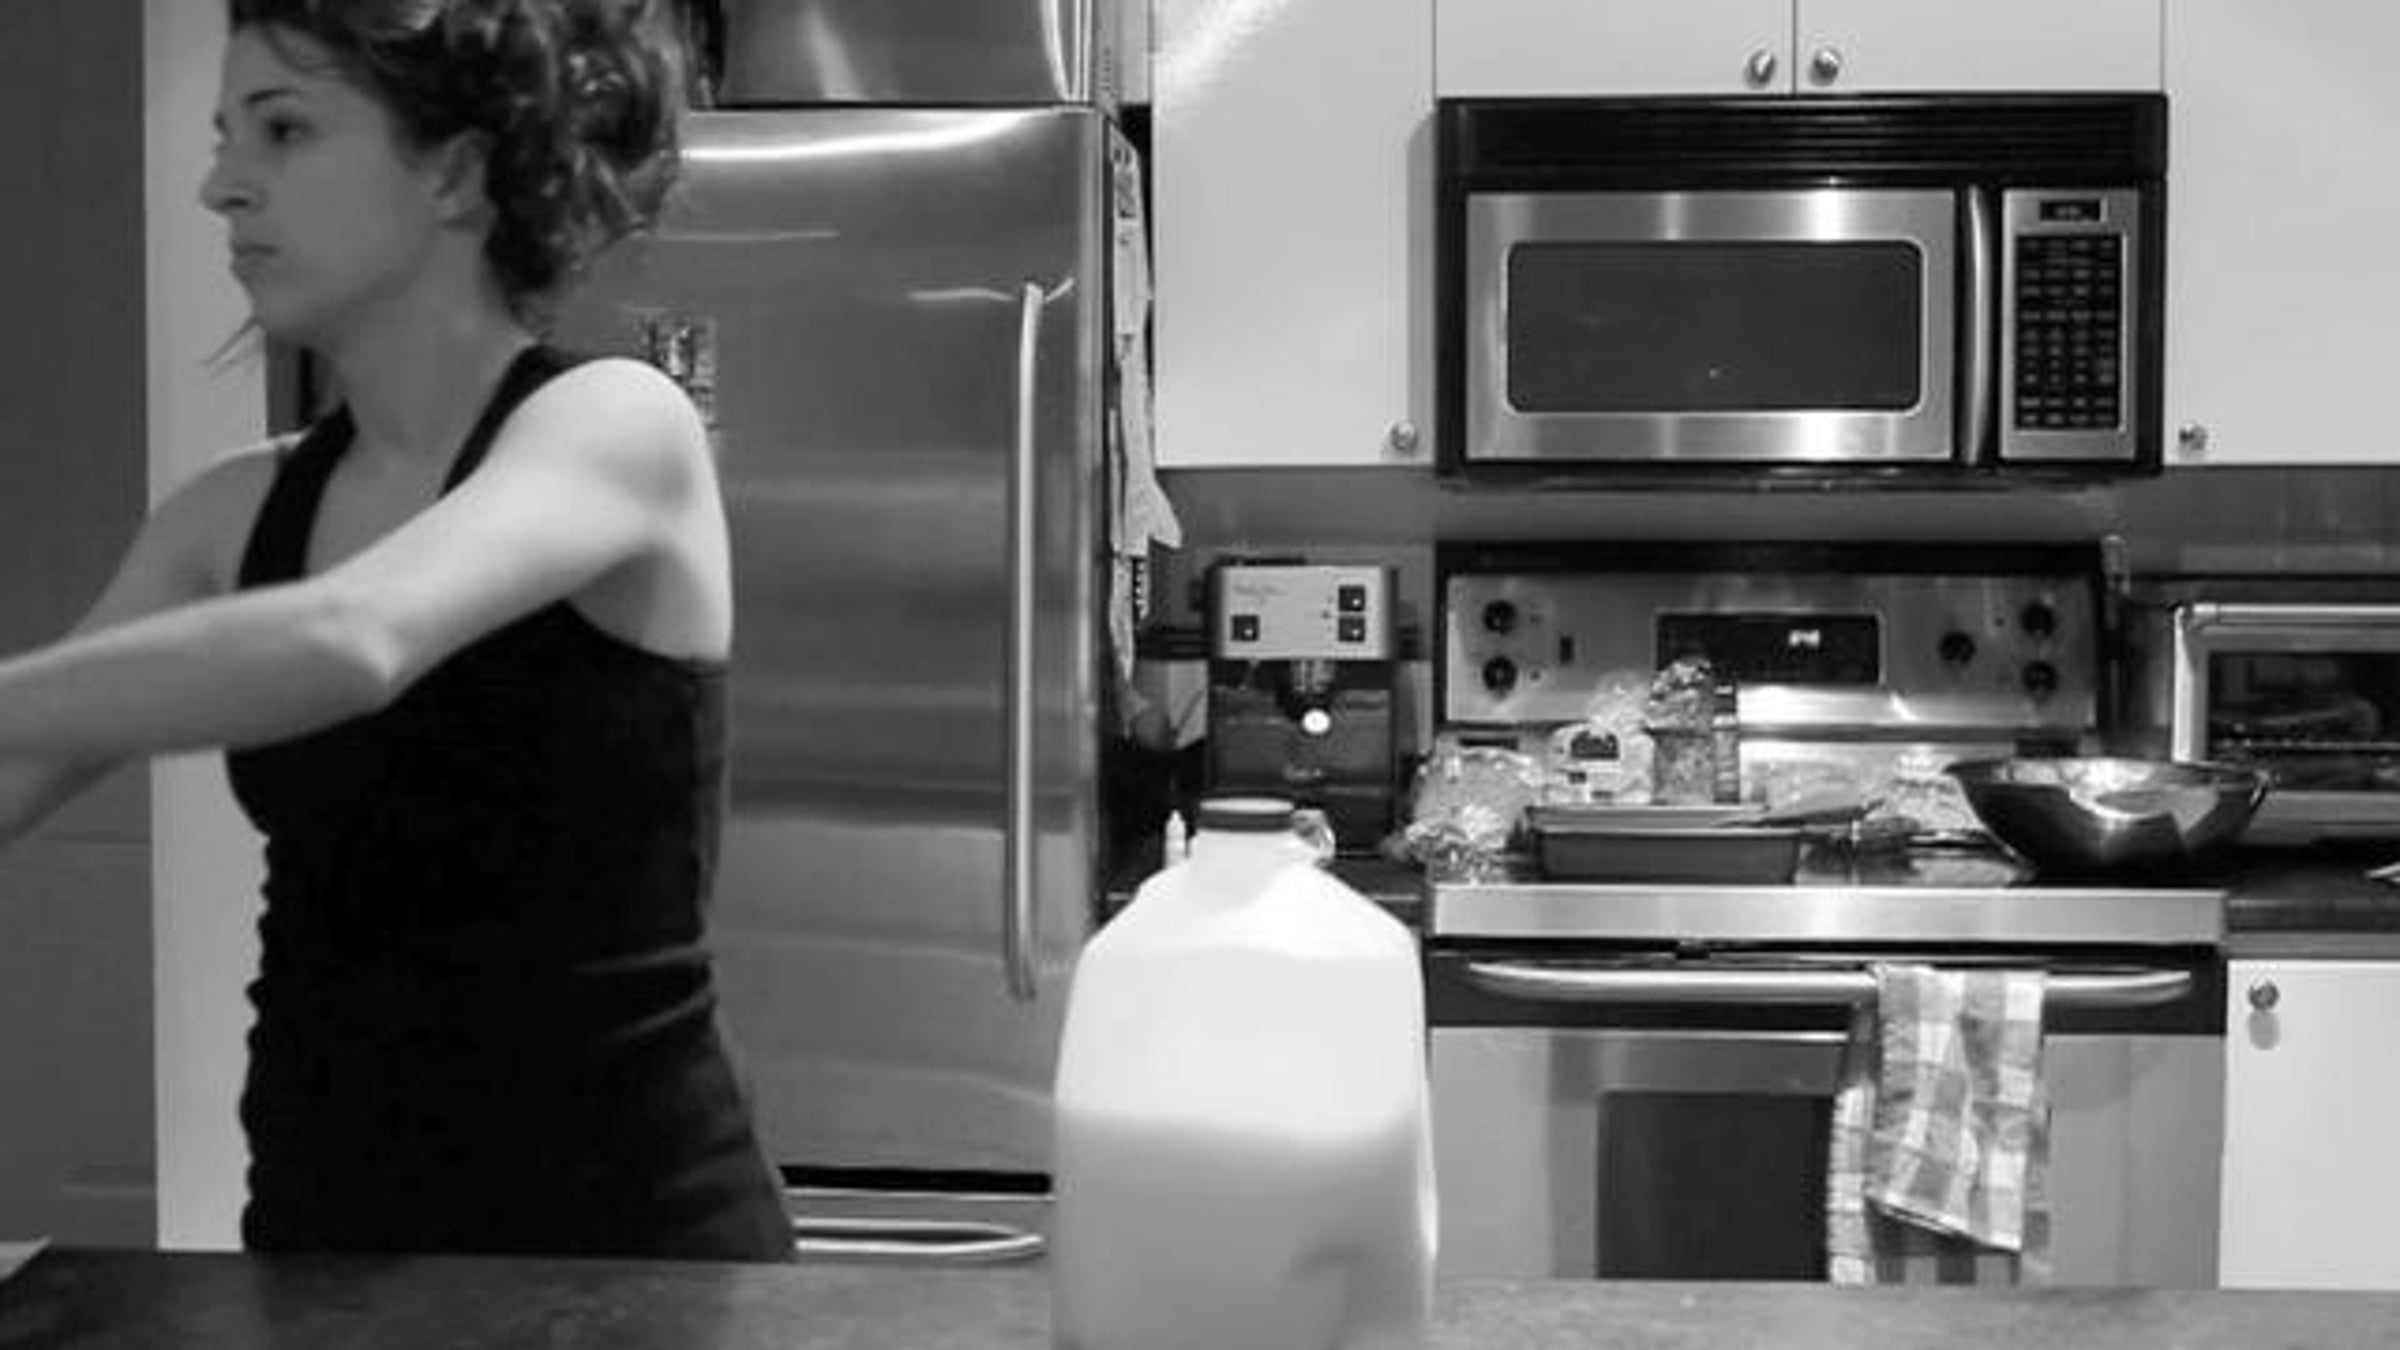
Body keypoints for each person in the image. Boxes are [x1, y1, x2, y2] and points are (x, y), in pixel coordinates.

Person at [0, 0, 793, 1261]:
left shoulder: (618, 423)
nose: (220, 186)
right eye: (224, 137)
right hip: (323, 1253)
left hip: (633, 1265)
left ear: (456, 175)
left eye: (282, 131)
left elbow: (354, 641)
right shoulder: (227, 516)